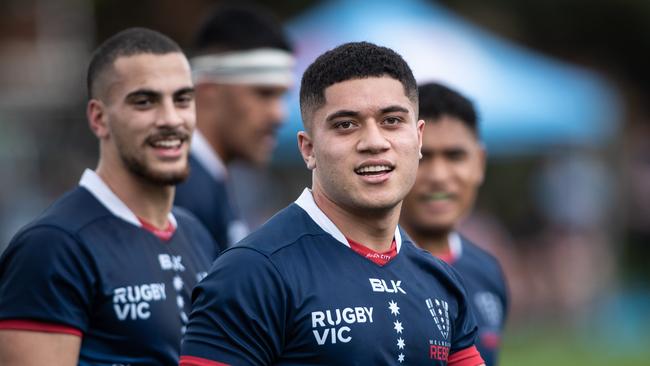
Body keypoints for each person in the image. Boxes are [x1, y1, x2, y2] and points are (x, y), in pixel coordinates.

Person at [180, 42, 485, 366]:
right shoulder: (252, 272)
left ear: (418, 138)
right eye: (345, 125)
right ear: (308, 149)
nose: (374, 142)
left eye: (392, 120)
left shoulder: (440, 280)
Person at [0, 28, 217, 365]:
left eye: (182, 99)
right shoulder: (53, 246)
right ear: (99, 118)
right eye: (144, 102)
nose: (171, 119)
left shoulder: (196, 234)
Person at [400, 82, 508, 365]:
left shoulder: (488, 272)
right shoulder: (359, 270)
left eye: (455, 156)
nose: (438, 175)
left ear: (479, 163)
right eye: (423, 157)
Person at [174, 2, 295, 250]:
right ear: (208, 90)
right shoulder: (178, 193)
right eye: (264, 93)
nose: (279, 114)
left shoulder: (209, 184)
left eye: (282, 97)